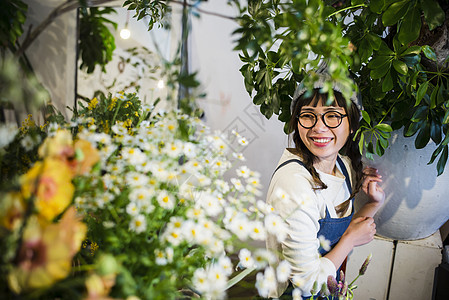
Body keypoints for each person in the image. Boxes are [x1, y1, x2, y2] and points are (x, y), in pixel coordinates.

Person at [266, 77, 385, 298]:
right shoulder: (294, 185)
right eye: (308, 116)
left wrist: (374, 203)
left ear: (352, 125)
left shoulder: (343, 165)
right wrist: (350, 240)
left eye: (332, 116)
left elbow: (342, 236)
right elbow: (306, 283)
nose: (318, 127)